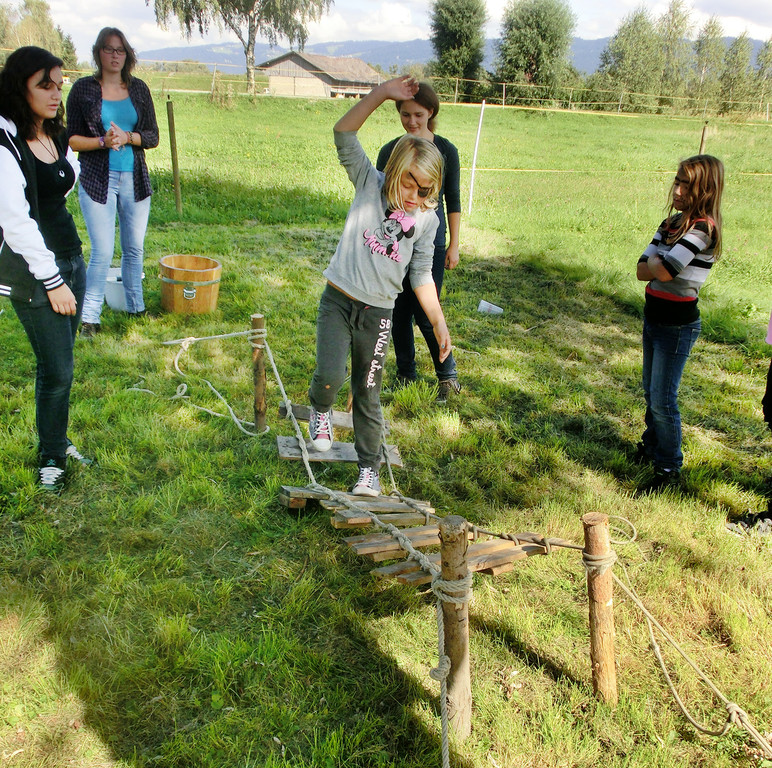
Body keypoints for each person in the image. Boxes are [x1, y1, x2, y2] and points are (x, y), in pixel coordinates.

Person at [307, 76, 452, 497]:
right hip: (339, 300)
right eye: (408, 183)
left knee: (368, 392)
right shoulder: (369, 182)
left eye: (424, 190)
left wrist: (438, 322)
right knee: (330, 374)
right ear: (394, 170)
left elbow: (420, 274)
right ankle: (319, 409)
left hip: (379, 314)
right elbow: (343, 132)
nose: (413, 196)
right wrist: (381, 94)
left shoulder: (427, 220)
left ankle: (368, 470)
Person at [0, 46, 89, 492]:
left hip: (71, 257)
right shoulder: (5, 143)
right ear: (21, 89)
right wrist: (53, 281)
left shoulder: (54, 134)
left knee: (61, 364)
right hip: (37, 273)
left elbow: (61, 187)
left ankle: (58, 439)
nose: (56, 94)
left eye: (59, 84)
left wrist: (69, 268)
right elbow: (15, 221)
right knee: (56, 369)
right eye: (44, 85)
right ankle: (51, 455)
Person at [635, 154, 724, 491]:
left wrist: (658, 263)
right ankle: (652, 446)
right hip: (654, 317)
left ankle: (669, 468)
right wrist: (659, 264)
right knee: (651, 391)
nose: (677, 190)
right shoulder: (671, 223)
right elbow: (641, 269)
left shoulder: (703, 228)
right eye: (677, 181)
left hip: (677, 326)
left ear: (705, 189)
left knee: (663, 399)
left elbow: (664, 271)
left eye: (686, 185)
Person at [66, 27, 159, 338]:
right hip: (97, 179)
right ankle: (90, 318)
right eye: (108, 49)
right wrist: (103, 142)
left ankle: (136, 307)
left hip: (135, 178)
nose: (115, 55)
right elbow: (72, 140)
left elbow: (152, 136)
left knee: (134, 248)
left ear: (127, 54)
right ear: (98, 53)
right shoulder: (82, 90)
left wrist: (128, 137)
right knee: (103, 251)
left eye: (120, 50)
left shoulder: (139, 89)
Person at [376, 82, 461, 402]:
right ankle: (405, 373)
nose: (411, 121)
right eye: (405, 114)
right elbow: (380, 200)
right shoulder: (390, 151)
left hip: (430, 243)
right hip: (396, 242)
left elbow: (452, 198)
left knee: (426, 311)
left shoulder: (446, 150)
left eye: (418, 115)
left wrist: (453, 244)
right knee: (397, 311)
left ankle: (447, 375)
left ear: (431, 113)